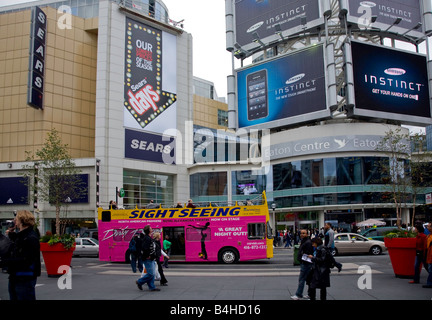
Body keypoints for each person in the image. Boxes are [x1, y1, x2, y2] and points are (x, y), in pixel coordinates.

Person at [2, 210, 41, 300]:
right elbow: (17, 240)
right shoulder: (23, 235)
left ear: (22, 220)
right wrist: (11, 232)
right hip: (16, 276)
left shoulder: (31, 237)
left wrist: (4, 262)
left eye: (17, 219)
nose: (15, 221)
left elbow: (26, 259)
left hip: (25, 277)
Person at [135, 225, 160, 292]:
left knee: (153, 273)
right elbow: (144, 248)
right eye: (151, 228)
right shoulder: (147, 238)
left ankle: (152, 287)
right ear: (149, 230)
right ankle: (139, 282)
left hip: (151, 258)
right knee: (151, 274)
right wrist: (148, 255)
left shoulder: (148, 237)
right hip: (148, 259)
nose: (152, 229)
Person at [291, 229, 314, 300]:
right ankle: (310, 294)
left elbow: (307, 253)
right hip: (305, 263)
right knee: (308, 280)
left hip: (306, 263)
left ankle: (298, 294)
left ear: (307, 234)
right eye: (301, 233)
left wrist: (301, 258)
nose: (302, 234)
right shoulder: (305, 241)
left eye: (304, 233)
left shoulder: (307, 242)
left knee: (302, 279)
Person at [423, 222, 432, 288]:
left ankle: (429, 283)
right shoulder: (428, 236)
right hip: (428, 255)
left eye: (429, 226)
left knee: (430, 269)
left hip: (430, 255)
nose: (427, 228)